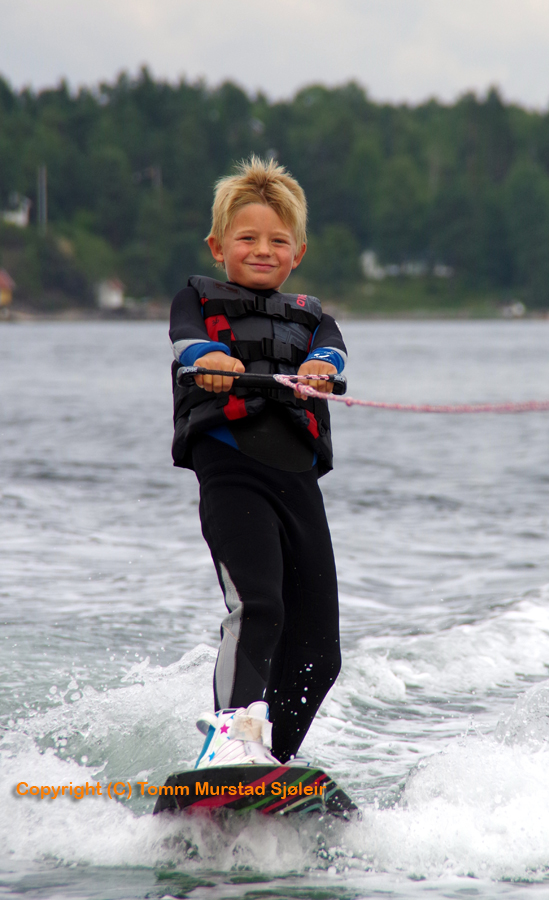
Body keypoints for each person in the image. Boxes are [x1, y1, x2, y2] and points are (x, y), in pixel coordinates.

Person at [169, 156, 347, 768]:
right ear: (218, 246)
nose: (263, 250)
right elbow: (188, 341)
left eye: (278, 241)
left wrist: (320, 368)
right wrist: (209, 359)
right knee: (260, 608)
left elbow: (332, 355)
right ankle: (230, 739)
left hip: (297, 482)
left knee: (320, 651)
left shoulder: (316, 318)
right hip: (231, 469)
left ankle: (268, 763)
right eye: (247, 238)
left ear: (298, 252)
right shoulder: (195, 299)